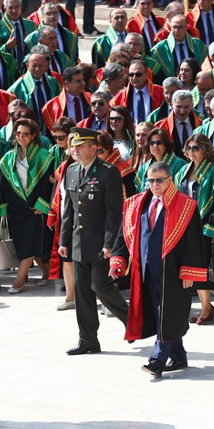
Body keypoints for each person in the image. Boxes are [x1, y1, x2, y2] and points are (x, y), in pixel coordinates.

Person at [107, 161, 206, 376]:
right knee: (159, 313)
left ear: (170, 180)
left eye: (160, 180)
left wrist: (190, 270)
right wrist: (118, 260)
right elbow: (125, 235)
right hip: (145, 270)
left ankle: (157, 360)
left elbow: (194, 241)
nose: (155, 184)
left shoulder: (186, 205)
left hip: (173, 271)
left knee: (168, 313)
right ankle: (178, 356)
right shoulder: (137, 204)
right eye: (151, 180)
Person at [58, 127, 129, 354]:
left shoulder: (108, 172)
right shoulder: (70, 171)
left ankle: (134, 322)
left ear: (93, 147)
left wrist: (110, 243)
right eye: (73, 146)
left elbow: (113, 212)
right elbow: (68, 211)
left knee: (101, 286)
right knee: (82, 293)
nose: (75, 150)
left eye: (80, 146)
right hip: (79, 243)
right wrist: (63, 241)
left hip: (100, 243)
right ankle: (87, 339)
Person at [173, 134, 214, 325]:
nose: (192, 152)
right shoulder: (182, 171)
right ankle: (201, 306)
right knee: (186, 266)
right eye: (189, 148)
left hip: (204, 225)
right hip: (184, 223)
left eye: (196, 148)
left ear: (205, 149)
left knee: (200, 267)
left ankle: (206, 307)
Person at [0, 119, 52, 293]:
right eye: (18, 133)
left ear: (34, 135)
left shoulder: (43, 155)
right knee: (23, 245)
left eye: (25, 134)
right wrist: (3, 207)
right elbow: (3, 185)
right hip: (15, 208)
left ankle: (19, 281)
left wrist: (42, 206)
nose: (21, 137)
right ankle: (46, 271)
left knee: (29, 243)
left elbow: (48, 183)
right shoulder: (8, 157)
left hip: (33, 208)